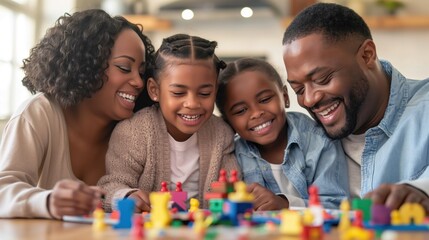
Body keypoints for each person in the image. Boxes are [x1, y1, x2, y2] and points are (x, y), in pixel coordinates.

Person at [0, 9, 155, 219]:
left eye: (142, 72)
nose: (138, 82)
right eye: (124, 67)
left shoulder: (137, 132)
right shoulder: (40, 113)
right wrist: (47, 200)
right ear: (87, 65)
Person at [282, 2, 429, 213]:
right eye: (298, 90)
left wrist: (421, 191)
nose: (309, 100)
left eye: (322, 79)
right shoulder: (303, 138)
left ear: (367, 55)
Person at [98, 33, 241, 212]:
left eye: (204, 94)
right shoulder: (134, 132)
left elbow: (232, 187)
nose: (192, 104)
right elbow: (112, 186)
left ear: (215, 91)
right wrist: (126, 196)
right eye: (179, 93)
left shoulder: (221, 133)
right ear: (154, 90)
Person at [216, 57, 349, 210]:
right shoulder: (232, 155)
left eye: (265, 99)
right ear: (228, 122)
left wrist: (286, 205)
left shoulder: (318, 141)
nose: (257, 113)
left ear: (285, 97)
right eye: (240, 111)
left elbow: (336, 205)